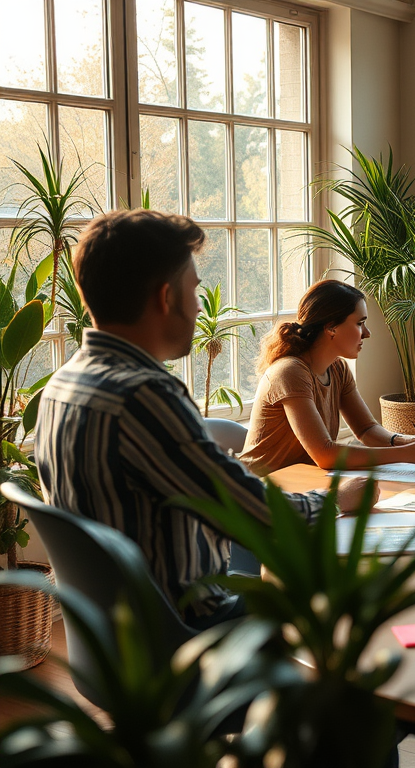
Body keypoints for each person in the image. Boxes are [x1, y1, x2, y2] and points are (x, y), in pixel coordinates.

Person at [35, 210, 373, 628]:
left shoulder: (61, 385)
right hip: (187, 628)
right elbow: (249, 510)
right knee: (361, 595)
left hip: (114, 635)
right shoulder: (145, 395)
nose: (198, 306)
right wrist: (338, 499)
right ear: (165, 297)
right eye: (194, 291)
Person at [238, 280, 415, 475]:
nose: (367, 333)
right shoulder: (290, 372)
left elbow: (366, 429)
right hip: (258, 491)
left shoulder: (337, 368)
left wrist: (407, 442)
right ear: (330, 328)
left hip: (303, 485)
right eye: (360, 323)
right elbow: (325, 455)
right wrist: (406, 454)